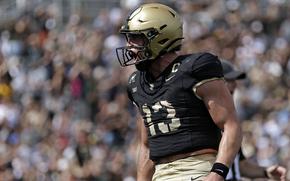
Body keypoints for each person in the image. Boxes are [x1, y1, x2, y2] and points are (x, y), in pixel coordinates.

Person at [116, 3, 242, 181]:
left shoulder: (196, 67)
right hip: (161, 175)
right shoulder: (136, 83)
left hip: (197, 169)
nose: (130, 46)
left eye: (136, 38)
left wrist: (217, 173)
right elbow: (147, 147)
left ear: (159, 37)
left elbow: (231, 125)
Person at [221, 60, 287, 181]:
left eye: (234, 80)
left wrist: (266, 172)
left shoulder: (232, 122)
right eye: (229, 80)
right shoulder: (203, 123)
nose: (235, 84)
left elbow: (242, 165)